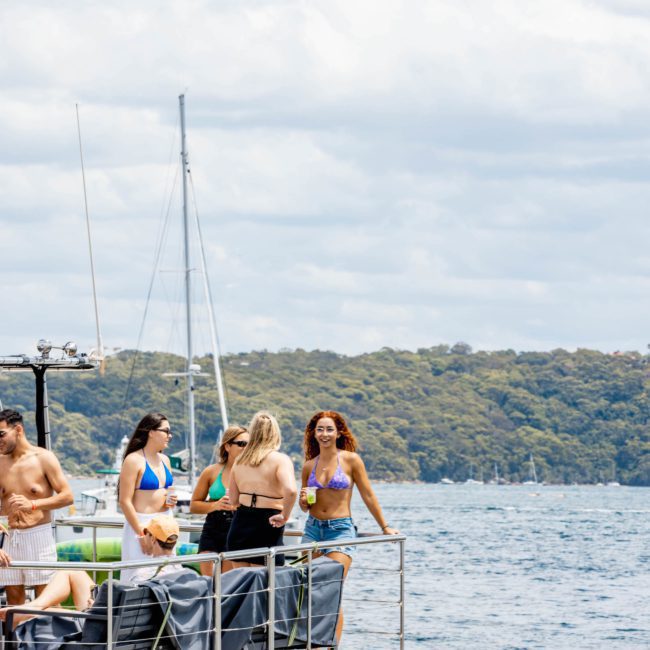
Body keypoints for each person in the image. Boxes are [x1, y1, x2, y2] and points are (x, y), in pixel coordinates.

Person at [299, 410, 400, 639]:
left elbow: (368, 496)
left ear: (338, 433)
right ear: (313, 434)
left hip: (340, 531)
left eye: (329, 429)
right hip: (312, 530)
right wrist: (303, 502)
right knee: (311, 590)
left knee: (332, 589)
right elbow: (305, 506)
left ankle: (332, 644)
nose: (324, 434)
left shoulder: (351, 460)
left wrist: (384, 526)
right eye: (320, 429)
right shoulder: (308, 466)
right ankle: (314, 642)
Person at [0, 515, 183, 627]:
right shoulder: (181, 572)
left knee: (68, 576)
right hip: (140, 624)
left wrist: (95, 605)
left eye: (145, 534)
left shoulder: (144, 574)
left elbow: (123, 611)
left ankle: (35, 609)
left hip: (105, 623)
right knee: (75, 572)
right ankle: (35, 607)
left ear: (152, 539)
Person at [0, 409, 74, 605]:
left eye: (1, 434)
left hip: (38, 536)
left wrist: (32, 504)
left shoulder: (43, 458)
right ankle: (15, 636)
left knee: (46, 599)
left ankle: (47, 635)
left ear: (18, 430)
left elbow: (67, 496)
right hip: (9, 538)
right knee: (14, 600)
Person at [227, 411, 297, 569]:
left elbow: (233, 500)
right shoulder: (281, 460)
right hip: (268, 524)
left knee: (241, 584)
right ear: (275, 433)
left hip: (240, 522)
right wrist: (285, 515)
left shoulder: (239, 460)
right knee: (265, 587)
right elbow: (291, 491)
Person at [118, 413, 177, 584]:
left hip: (166, 523)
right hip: (142, 524)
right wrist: (141, 534)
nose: (169, 435)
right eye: (166, 431)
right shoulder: (133, 460)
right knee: (138, 577)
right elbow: (125, 501)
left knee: (166, 575)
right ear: (151, 432)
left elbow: (165, 491)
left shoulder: (165, 460)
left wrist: (169, 501)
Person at [190, 425, 249, 575]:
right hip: (212, 527)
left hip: (237, 528)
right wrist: (215, 505)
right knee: (208, 580)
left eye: (249, 444)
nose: (246, 448)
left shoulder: (252, 473)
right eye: (241, 444)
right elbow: (194, 505)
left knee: (226, 582)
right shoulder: (211, 471)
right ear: (228, 446)